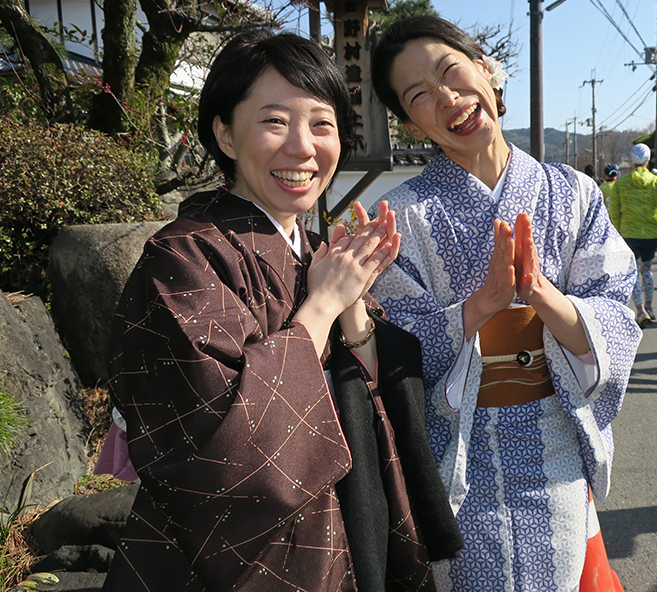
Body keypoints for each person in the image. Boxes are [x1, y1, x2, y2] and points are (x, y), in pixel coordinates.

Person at [99, 30, 462, 592]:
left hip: (346, 535)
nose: (302, 147)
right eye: (274, 121)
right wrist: (322, 307)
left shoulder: (319, 252)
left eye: (322, 124)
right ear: (224, 133)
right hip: (246, 565)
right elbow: (220, 452)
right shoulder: (183, 259)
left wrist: (354, 314)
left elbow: (377, 401)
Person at [369, 15, 642, 592]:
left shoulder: (574, 193)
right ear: (411, 126)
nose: (447, 99)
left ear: (488, 72)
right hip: (454, 454)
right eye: (419, 96)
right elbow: (389, 343)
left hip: (553, 445)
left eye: (452, 72)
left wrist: (541, 295)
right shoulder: (398, 216)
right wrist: (481, 306)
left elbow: (616, 310)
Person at [608, 142, 657, 325]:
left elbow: (614, 210)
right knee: (647, 270)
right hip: (651, 233)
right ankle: (650, 306)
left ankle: (640, 309)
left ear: (632, 160)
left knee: (633, 273)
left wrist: (619, 229)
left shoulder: (621, 183)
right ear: (647, 160)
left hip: (628, 233)